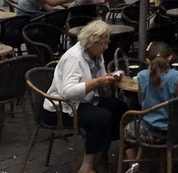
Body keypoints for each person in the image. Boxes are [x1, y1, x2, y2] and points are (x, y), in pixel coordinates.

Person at [46, 19, 126, 173]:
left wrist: (111, 78)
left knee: (119, 108)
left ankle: (101, 157)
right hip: (64, 105)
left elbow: (100, 78)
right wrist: (98, 82)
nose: (106, 47)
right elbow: (67, 92)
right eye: (102, 44)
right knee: (101, 117)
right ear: (91, 41)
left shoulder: (96, 54)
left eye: (106, 43)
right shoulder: (74, 57)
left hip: (87, 99)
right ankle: (86, 166)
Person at [123, 42, 178, 170]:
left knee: (127, 127)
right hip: (172, 131)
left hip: (148, 130)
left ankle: (134, 165)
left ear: (147, 60)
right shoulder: (175, 76)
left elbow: (140, 102)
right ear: (169, 58)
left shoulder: (142, 76)